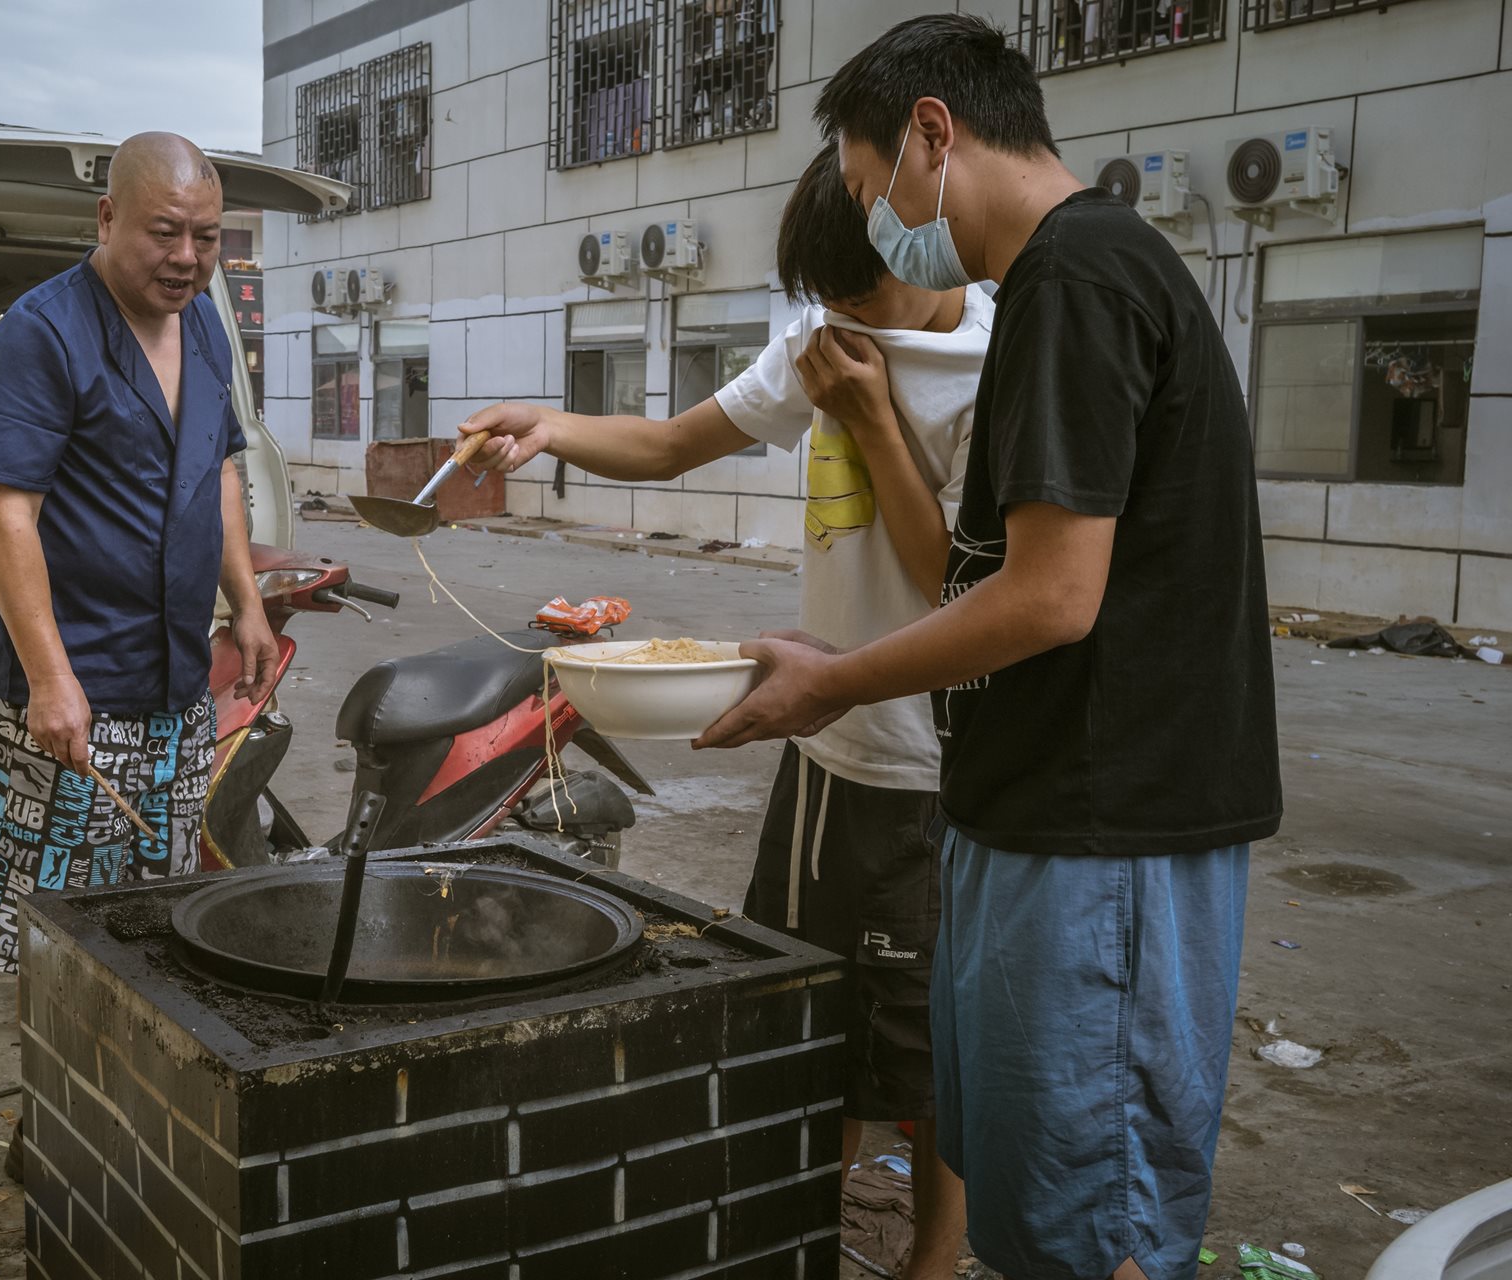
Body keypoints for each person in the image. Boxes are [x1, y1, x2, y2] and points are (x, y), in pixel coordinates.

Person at [695, 16, 1283, 1280]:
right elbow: (997, 578)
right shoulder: (1071, 281)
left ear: (932, 136)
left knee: (1094, 1212)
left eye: (868, 190)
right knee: (1037, 1197)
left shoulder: (1076, 277)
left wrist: (828, 683)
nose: (880, 224)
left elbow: (1051, 597)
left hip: (1105, 825)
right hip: (1041, 811)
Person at [463, 148, 986, 1280]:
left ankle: (932, 1266)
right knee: (806, 1018)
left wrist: (874, 421)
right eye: (830, 302)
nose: (847, 322)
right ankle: (792, 1238)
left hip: (925, 767)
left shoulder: (995, 360)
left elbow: (957, 581)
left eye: (865, 296)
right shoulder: (826, 343)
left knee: (929, 1056)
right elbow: (670, 441)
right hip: (825, 752)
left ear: (921, 244)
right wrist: (550, 426)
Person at [0, 132, 278, 973]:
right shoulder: (41, 333)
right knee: (52, 934)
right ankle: (49, 1095)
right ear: (107, 217)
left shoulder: (203, 321)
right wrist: (53, 682)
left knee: (156, 924)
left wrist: (245, 603)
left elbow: (220, 468)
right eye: (163, 232)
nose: (186, 257)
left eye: (205, 237)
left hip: (176, 691)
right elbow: (4, 514)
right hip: (74, 702)